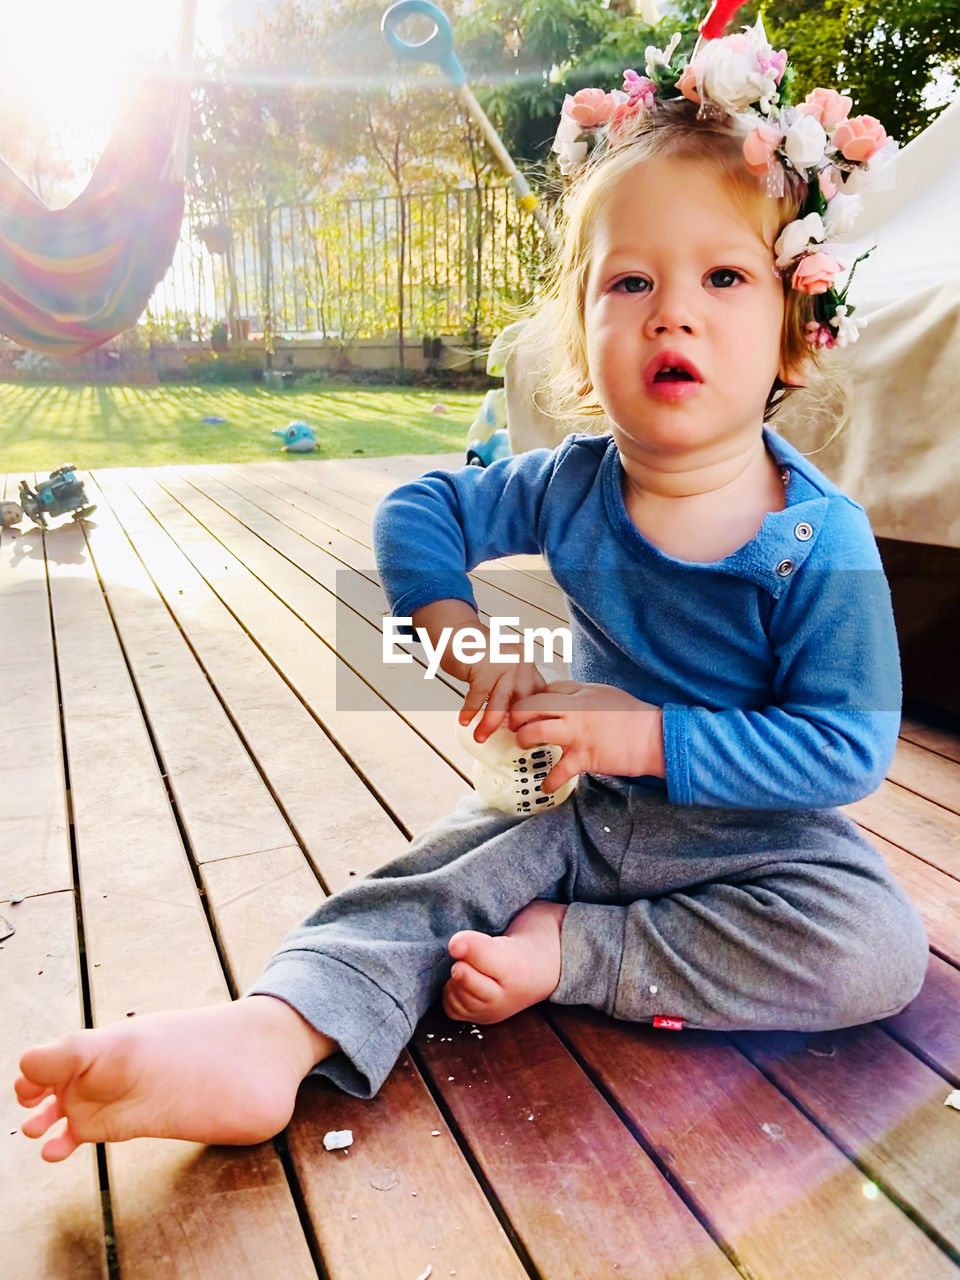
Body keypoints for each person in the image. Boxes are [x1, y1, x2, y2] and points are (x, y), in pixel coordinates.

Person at [16, 19, 928, 1163]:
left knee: (880, 946)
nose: (672, 310)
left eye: (725, 276)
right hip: (570, 809)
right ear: (581, 326)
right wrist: (452, 625)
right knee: (428, 884)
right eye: (630, 279)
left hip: (754, 843)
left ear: (796, 333)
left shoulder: (815, 537)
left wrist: (651, 736)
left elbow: (846, 745)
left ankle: (576, 955)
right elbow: (421, 509)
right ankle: (270, 1034)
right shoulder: (571, 484)